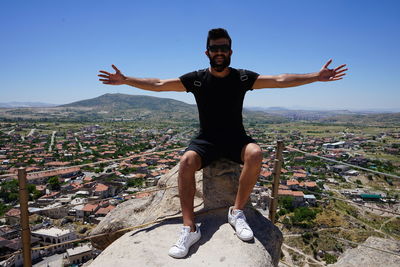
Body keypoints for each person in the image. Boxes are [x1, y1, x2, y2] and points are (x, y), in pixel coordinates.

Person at [98, 28, 347, 258]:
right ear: (207, 52)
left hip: (235, 138)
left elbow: (280, 80)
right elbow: (160, 85)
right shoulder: (196, 79)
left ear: (230, 51)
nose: (219, 52)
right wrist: (126, 80)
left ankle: (236, 211)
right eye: (215, 48)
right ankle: (189, 227)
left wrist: (316, 76)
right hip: (206, 140)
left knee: (256, 153)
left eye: (224, 48)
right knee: (186, 161)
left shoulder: (241, 78)